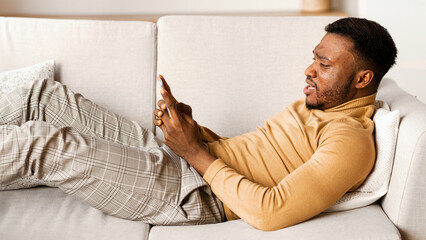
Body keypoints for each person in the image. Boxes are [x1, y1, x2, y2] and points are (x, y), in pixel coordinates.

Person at [0, 17, 397, 231]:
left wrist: (191, 150)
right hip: (185, 160)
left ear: (362, 79)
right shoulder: (319, 104)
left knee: (42, 144)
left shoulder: (350, 141)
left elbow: (271, 212)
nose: (309, 70)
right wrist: (194, 132)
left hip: (191, 194)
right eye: (315, 57)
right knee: (41, 96)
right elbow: (255, 157)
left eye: (324, 65)